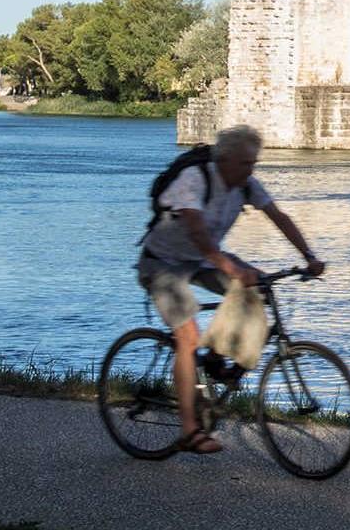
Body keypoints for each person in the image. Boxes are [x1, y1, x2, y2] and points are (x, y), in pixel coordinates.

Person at [137, 125, 324, 455]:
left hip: (202, 260)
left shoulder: (246, 184)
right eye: (244, 163)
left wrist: (309, 256)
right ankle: (190, 431)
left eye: (253, 163)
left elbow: (278, 217)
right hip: (163, 262)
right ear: (224, 160)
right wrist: (230, 268)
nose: (250, 170)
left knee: (256, 289)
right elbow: (197, 231)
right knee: (188, 337)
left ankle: (214, 360)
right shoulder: (196, 179)